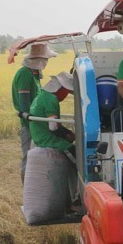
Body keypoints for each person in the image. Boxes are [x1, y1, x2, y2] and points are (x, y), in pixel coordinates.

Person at [29, 72, 79, 208]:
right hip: (50, 140)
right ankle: (78, 197)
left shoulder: (41, 96)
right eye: (66, 92)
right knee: (80, 162)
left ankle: (72, 197)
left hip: (39, 137)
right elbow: (53, 126)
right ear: (60, 89)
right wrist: (67, 135)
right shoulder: (51, 99)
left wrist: (67, 132)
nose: (66, 95)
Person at [12, 43, 57, 181]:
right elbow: (24, 102)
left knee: (35, 156)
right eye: (46, 59)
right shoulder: (25, 74)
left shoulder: (34, 74)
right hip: (29, 123)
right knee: (29, 156)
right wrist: (29, 117)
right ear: (39, 60)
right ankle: (27, 189)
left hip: (37, 123)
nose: (47, 62)